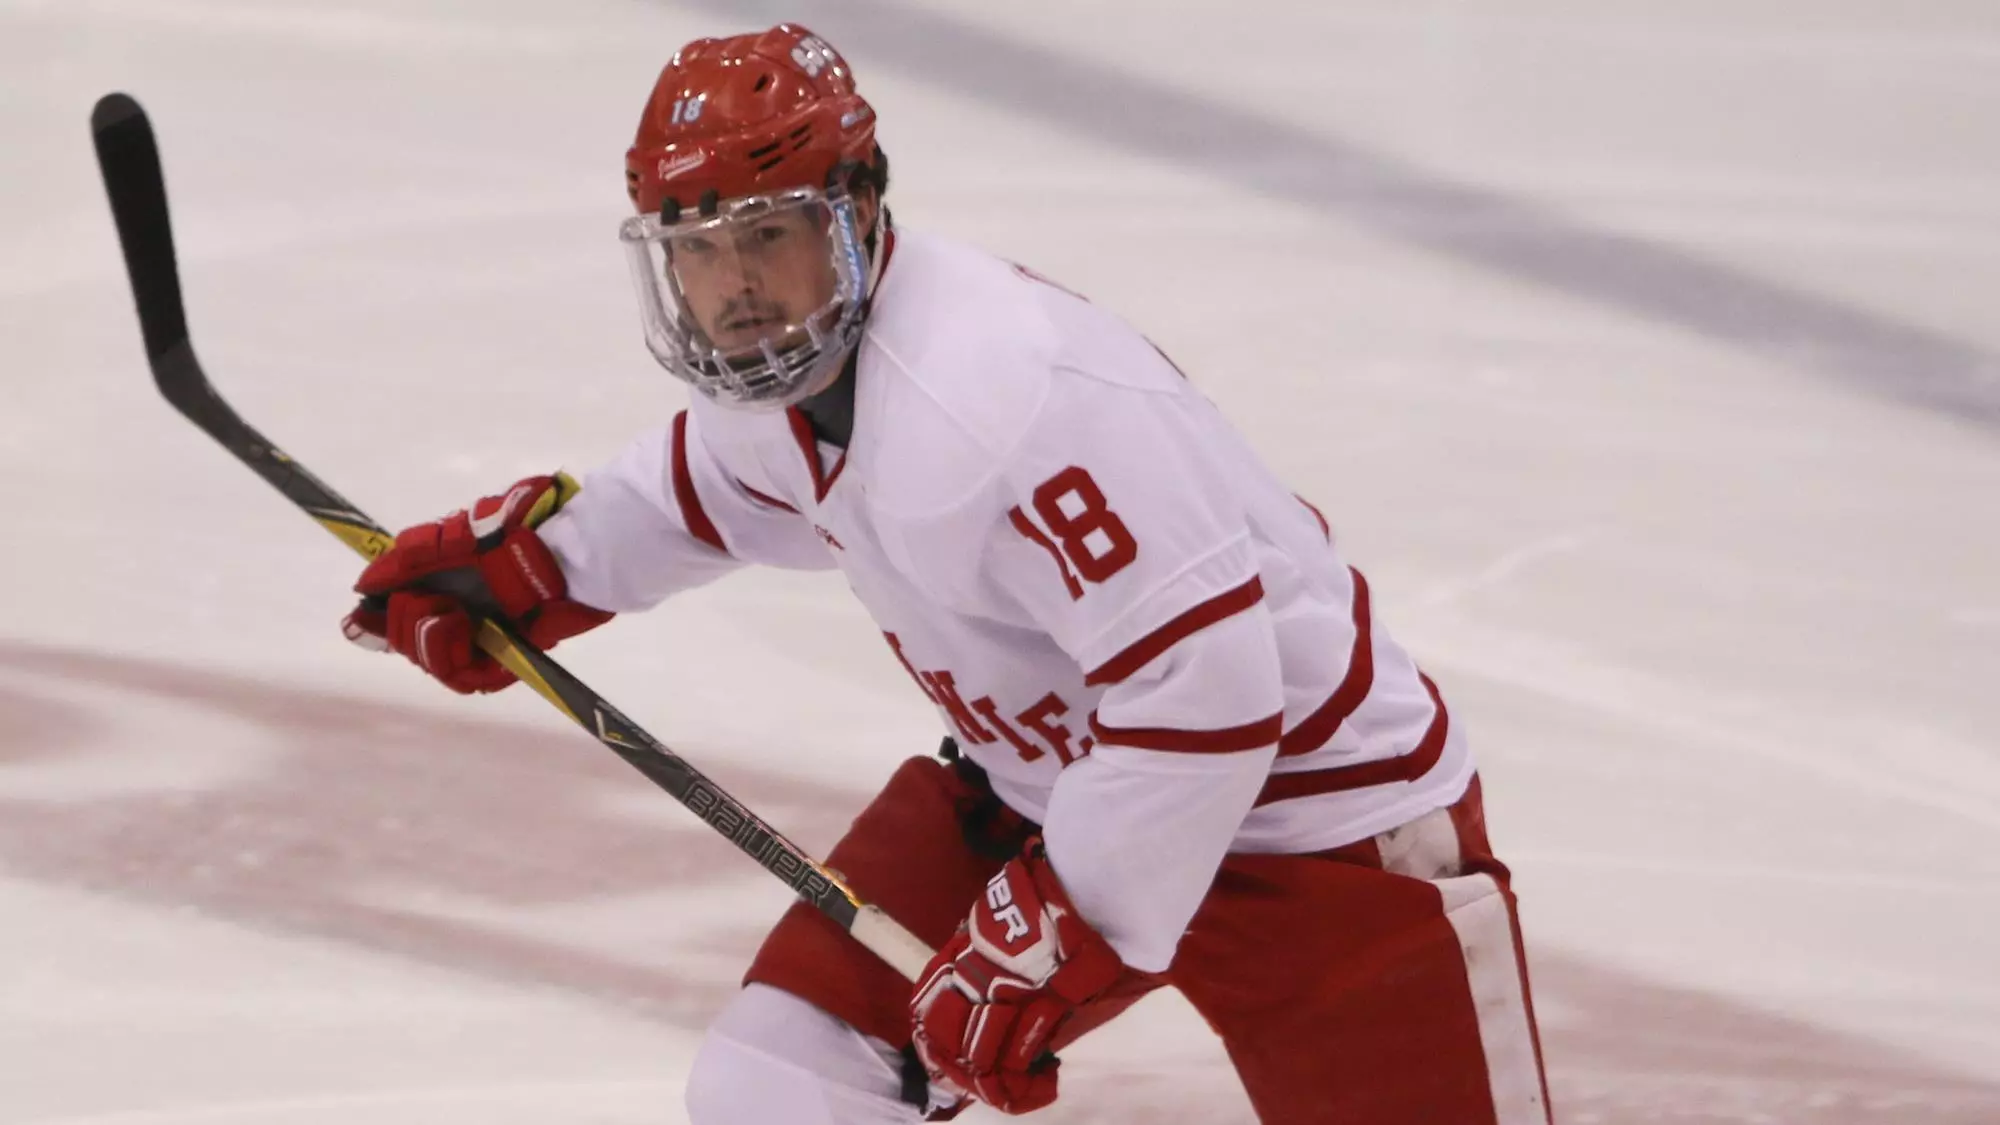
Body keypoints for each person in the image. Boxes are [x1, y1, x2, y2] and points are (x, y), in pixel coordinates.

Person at [341, 23, 1552, 1124]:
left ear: (858, 211)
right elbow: (699, 494)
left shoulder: (1008, 396)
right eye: (699, 254)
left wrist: (1070, 924)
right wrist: (532, 568)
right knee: (774, 1085)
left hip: (1315, 824)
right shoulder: (784, 386)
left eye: (766, 235)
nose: (736, 289)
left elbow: (1212, 695)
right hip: (1045, 791)